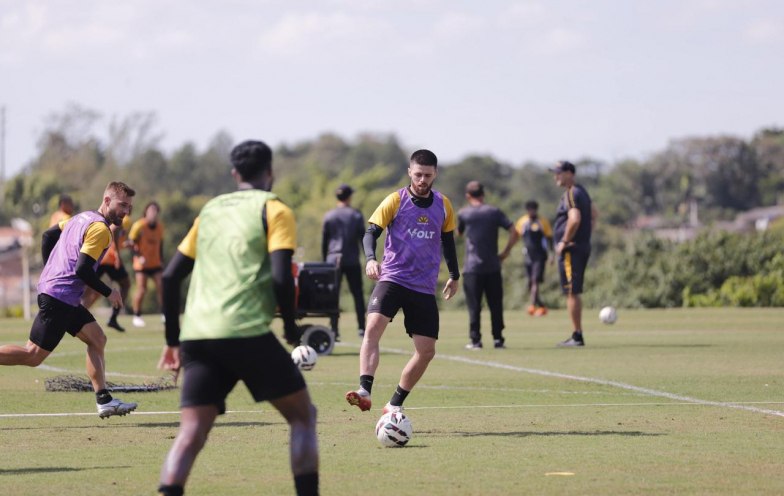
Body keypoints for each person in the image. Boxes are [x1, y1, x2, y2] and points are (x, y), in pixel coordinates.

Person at [157, 140, 319, 496]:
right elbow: (281, 277)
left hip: (197, 336)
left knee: (191, 433)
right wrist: (291, 327)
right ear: (270, 172)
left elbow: (169, 278)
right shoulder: (275, 209)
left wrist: (172, 341)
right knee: (303, 417)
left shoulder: (210, 210)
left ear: (234, 174)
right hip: (246, 332)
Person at [0, 182, 138, 418]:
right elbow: (83, 268)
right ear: (107, 201)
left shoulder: (79, 218)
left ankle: (104, 400)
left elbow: (48, 235)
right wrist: (109, 292)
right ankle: (104, 400)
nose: (126, 212)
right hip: (60, 297)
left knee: (97, 338)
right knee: (32, 355)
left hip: (64, 295)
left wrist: (50, 271)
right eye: (122, 205)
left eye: (129, 207)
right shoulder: (101, 230)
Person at [345, 149, 459, 414]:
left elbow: (449, 242)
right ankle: (364, 390)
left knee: (426, 351)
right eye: (418, 174)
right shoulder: (395, 200)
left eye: (427, 175)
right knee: (372, 327)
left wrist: (454, 275)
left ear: (435, 174)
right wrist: (371, 259)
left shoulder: (443, 204)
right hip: (393, 278)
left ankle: (394, 404)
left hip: (423, 286)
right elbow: (370, 233)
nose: (422, 180)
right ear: (410, 172)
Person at [456, 181, 518, 350]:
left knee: (474, 306)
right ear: (484, 194)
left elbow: (459, 233)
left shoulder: (464, 213)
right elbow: (514, 231)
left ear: (468, 196)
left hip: (472, 268)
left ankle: (475, 340)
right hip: (492, 266)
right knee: (495, 305)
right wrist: (505, 252)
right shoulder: (494, 212)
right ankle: (498, 339)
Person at [549, 161, 598, 347]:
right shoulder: (582, 191)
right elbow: (595, 214)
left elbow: (575, 219)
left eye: (559, 173)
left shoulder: (571, 192)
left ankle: (577, 336)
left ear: (569, 173)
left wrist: (565, 241)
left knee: (571, 291)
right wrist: (586, 237)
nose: (556, 177)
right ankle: (576, 334)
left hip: (571, 249)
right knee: (573, 290)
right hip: (581, 246)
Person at [321, 183, 366, 338]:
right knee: (357, 295)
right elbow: (363, 239)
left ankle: (334, 330)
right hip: (352, 259)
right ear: (349, 197)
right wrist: (369, 258)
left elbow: (324, 242)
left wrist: (324, 262)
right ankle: (362, 328)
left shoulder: (329, 215)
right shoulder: (355, 215)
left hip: (333, 259)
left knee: (333, 296)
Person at [82, 213, 133, 332]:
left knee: (88, 290)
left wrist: (124, 246)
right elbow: (113, 229)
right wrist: (117, 254)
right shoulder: (123, 218)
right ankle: (113, 318)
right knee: (125, 285)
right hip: (108, 258)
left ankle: (77, 315)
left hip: (103, 257)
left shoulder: (125, 219)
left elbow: (116, 237)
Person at [129, 201, 164, 327]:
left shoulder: (160, 227)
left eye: (155, 211)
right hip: (141, 264)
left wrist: (162, 260)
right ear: (146, 212)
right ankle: (137, 315)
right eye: (151, 210)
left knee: (162, 286)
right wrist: (139, 257)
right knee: (142, 289)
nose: (153, 213)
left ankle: (164, 313)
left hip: (155, 263)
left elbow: (161, 245)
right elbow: (131, 244)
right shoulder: (139, 225)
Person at [515, 200, 554, 317]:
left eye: (534, 209)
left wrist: (552, 254)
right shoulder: (522, 221)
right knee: (529, 282)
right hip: (528, 256)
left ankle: (532, 305)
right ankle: (541, 306)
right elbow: (515, 236)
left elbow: (550, 238)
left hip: (540, 256)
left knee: (535, 280)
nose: (532, 211)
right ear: (527, 210)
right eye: (530, 209)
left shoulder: (542, 222)